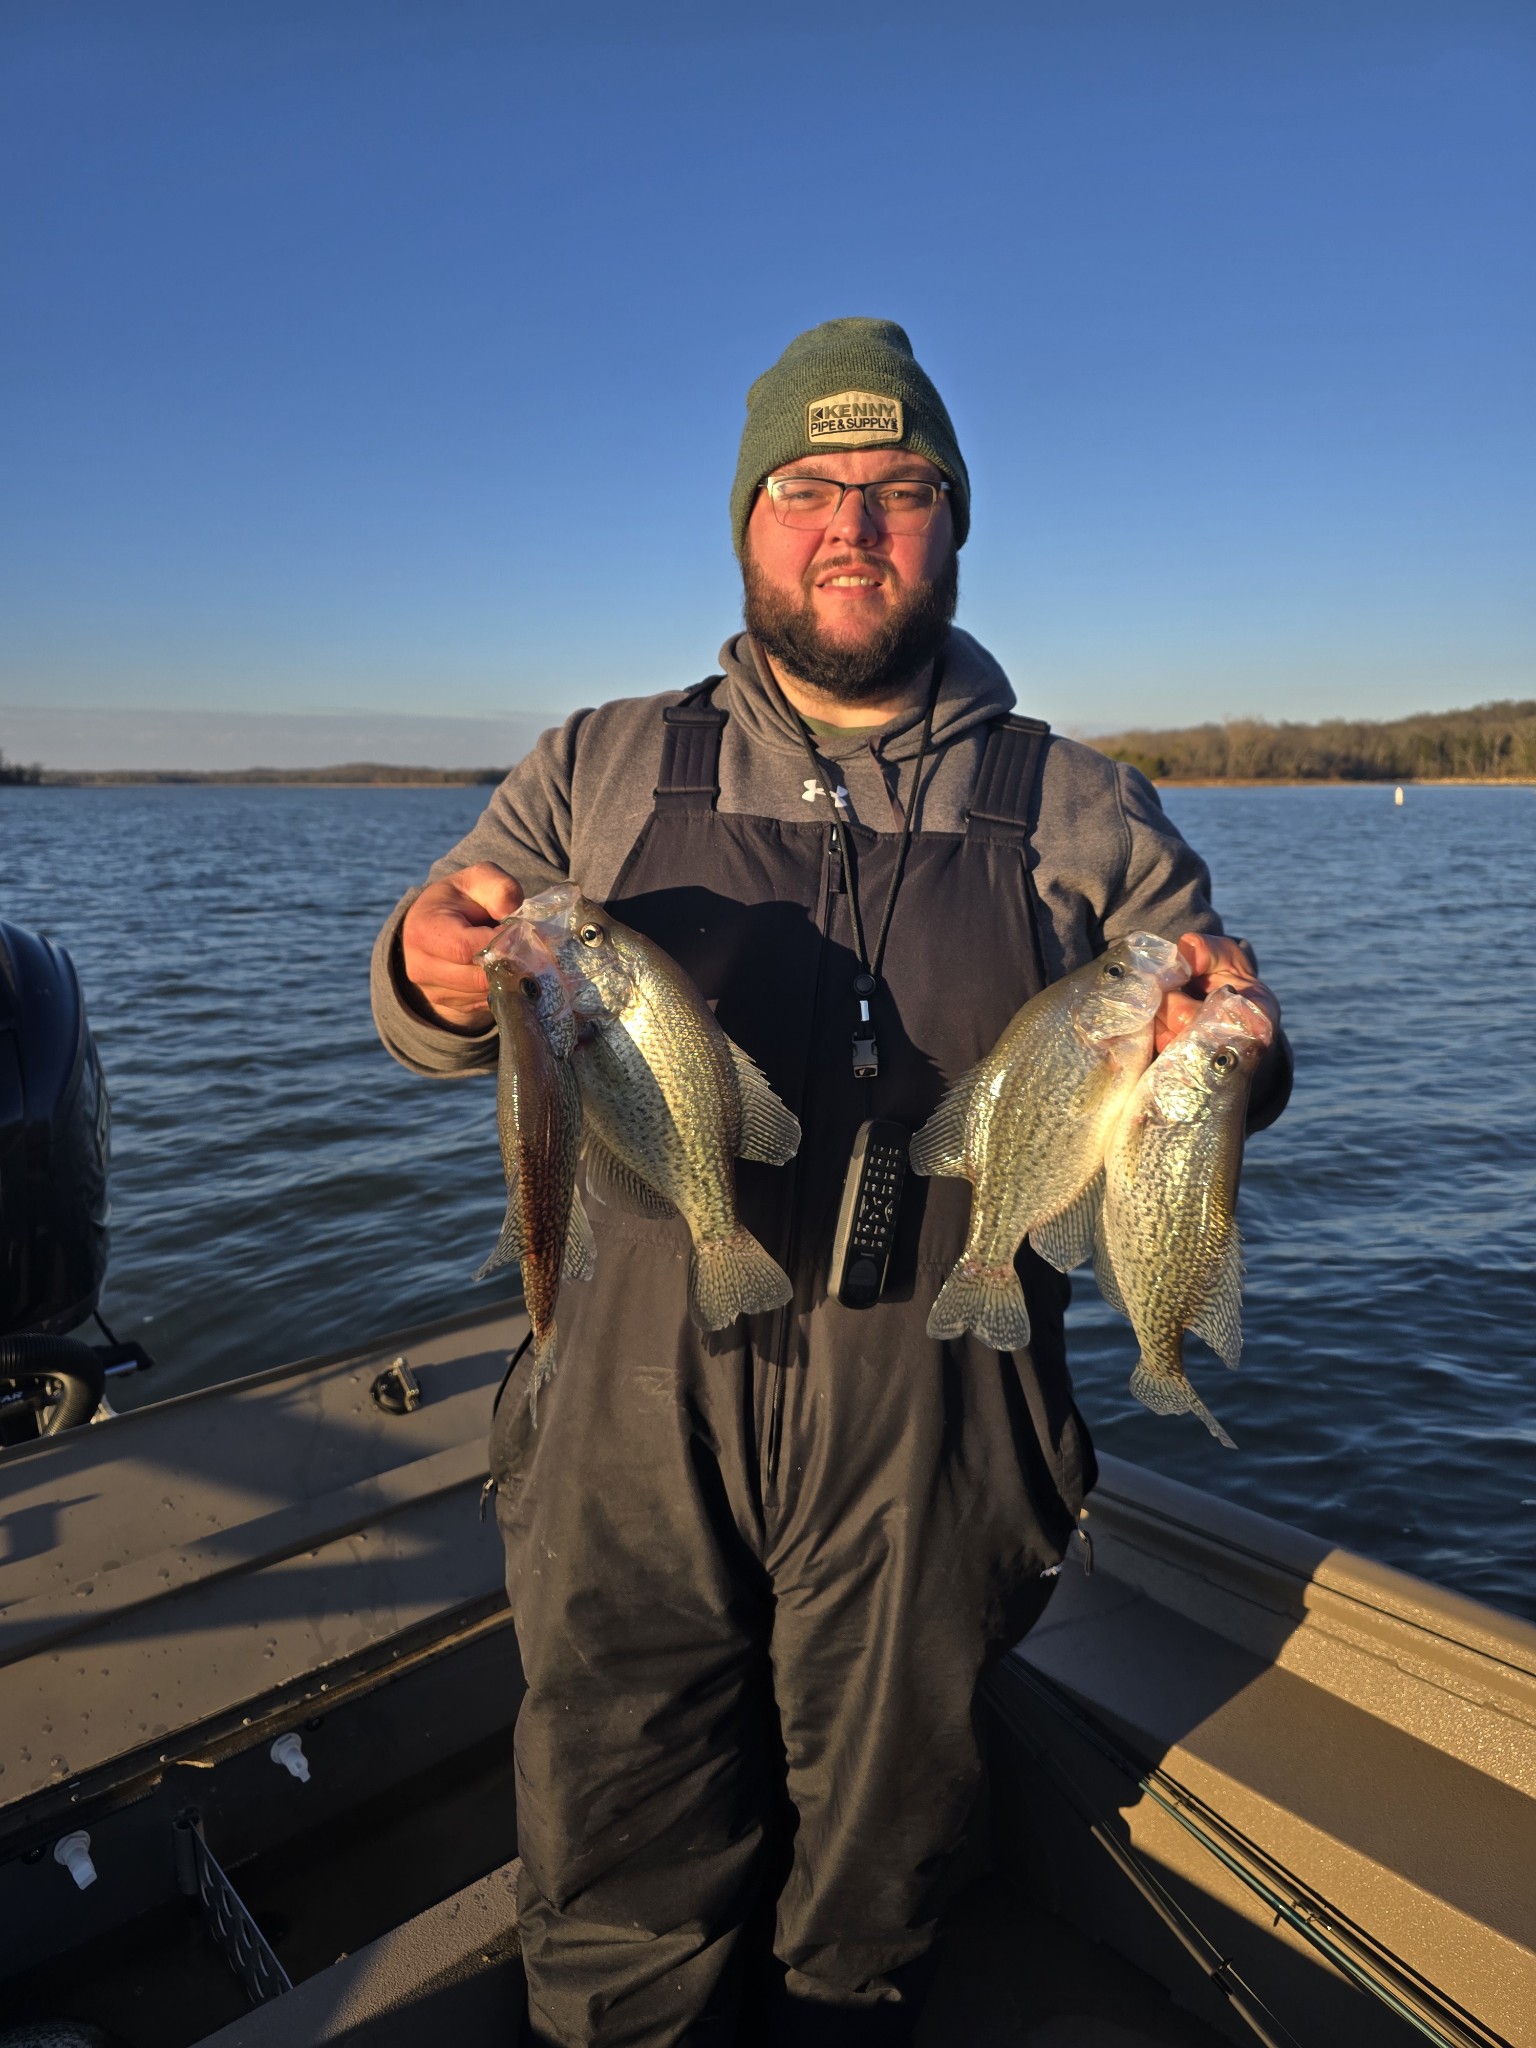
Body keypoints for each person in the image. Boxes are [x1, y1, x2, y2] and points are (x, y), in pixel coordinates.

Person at [371, 317, 1289, 2046]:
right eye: (807, 486)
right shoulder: (600, 765)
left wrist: (1233, 1034)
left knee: (880, 1874)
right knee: (617, 1831)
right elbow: (451, 976)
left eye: (901, 489)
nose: (850, 523)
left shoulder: (1087, 807)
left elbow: (1233, 1070)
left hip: (942, 1424)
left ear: (954, 525)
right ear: (748, 523)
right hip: (628, 1413)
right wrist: (427, 970)